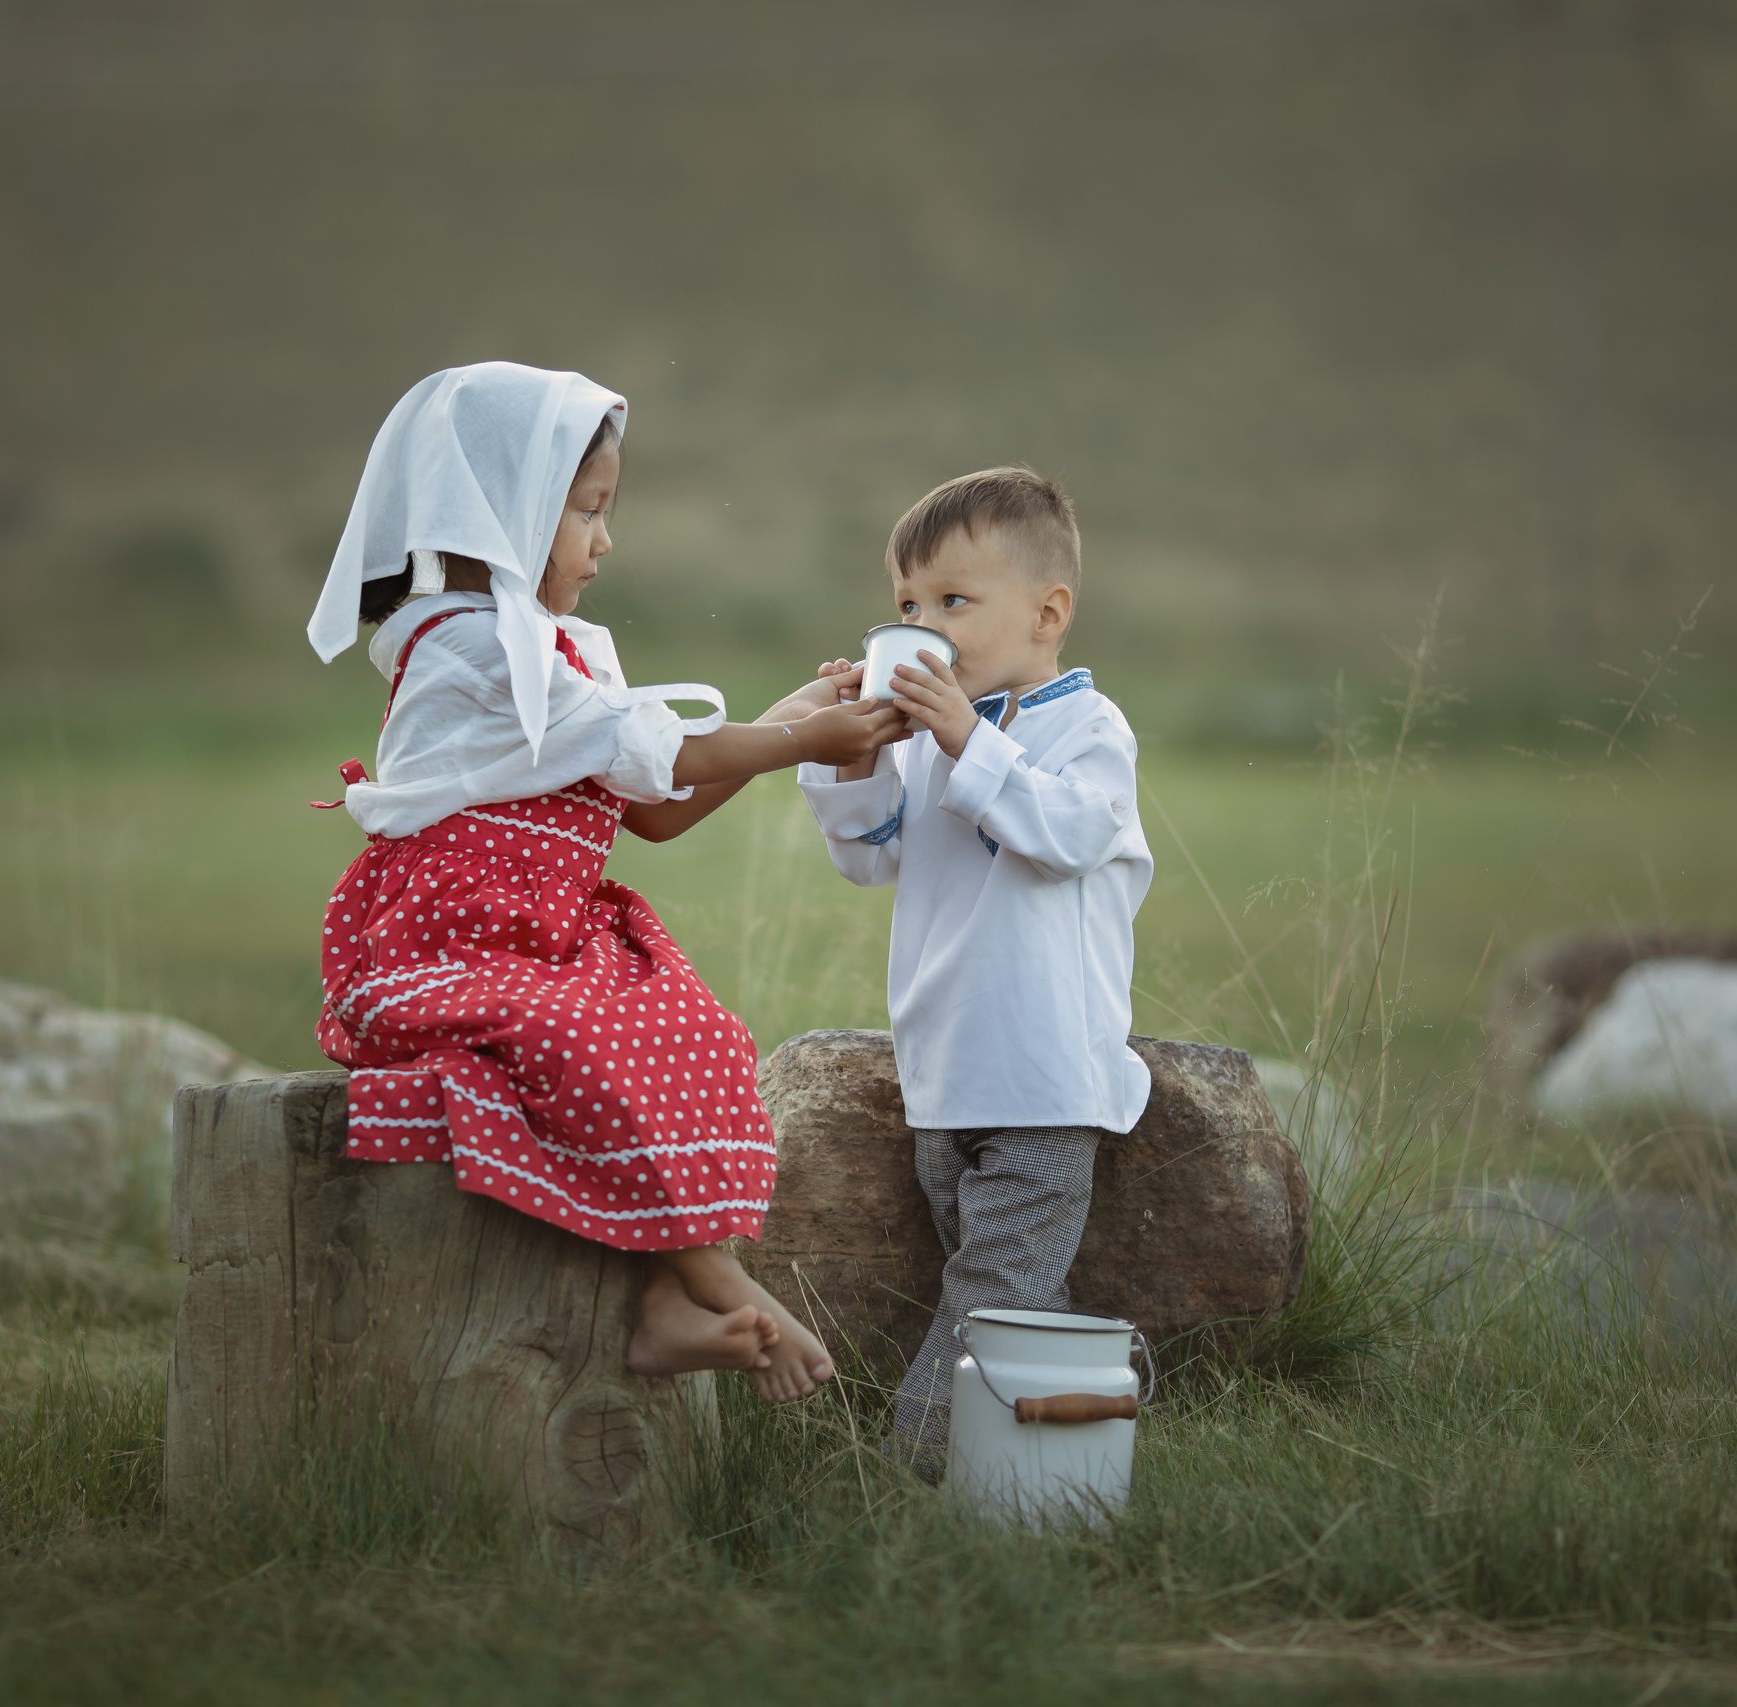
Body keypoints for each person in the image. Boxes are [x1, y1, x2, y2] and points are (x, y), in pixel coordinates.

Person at [307, 362, 902, 1402]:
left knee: (696, 1029)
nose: (605, 539)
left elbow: (657, 806)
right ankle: (721, 1285)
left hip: (548, 932)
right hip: (454, 933)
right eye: (585, 510)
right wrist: (799, 738)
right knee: (583, 1037)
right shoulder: (472, 646)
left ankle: (663, 1302)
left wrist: (796, 715)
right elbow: (666, 756)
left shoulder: (558, 652)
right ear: (506, 514)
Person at [794, 467, 1153, 1457]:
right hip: (944, 1070)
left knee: (992, 1295)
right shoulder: (927, 744)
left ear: (1048, 614)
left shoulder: (1088, 729)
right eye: (908, 606)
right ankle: (1058, 1456)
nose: (926, 625)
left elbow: (1067, 835)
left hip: (1043, 1079)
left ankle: (917, 1466)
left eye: (953, 600)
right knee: (1004, 1289)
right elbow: (868, 856)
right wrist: (855, 751)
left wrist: (962, 738)